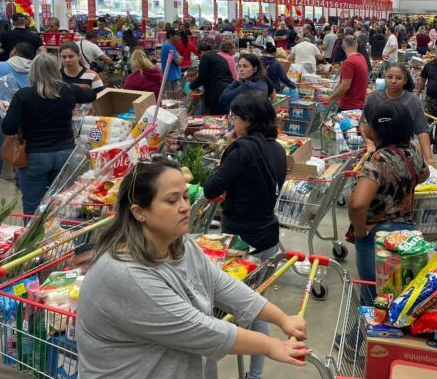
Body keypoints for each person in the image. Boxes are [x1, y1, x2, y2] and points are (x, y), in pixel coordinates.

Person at [77, 157, 309, 378]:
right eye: (172, 200)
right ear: (139, 212)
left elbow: (219, 283)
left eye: (186, 197)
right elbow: (200, 330)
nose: (185, 207)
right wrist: (270, 345)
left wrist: (281, 318)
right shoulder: (124, 274)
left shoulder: (178, 242)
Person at [203, 92, 287, 379]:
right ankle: (256, 372)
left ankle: (251, 372)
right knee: (256, 305)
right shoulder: (276, 148)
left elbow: (211, 188)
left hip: (241, 241)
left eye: (234, 118)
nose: (232, 123)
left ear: (248, 120)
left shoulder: (241, 149)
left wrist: (228, 151)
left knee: (246, 308)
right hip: (268, 234)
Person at [349, 101, 429, 302]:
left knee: (374, 299)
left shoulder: (378, 160)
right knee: (404, 298)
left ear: (377, 129)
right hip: (408, 234)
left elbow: (358, 204)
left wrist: (360, 234)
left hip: (378, 238)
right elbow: (423, 175)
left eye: (367, 122)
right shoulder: (412, 153)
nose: (364, 126)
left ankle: (365, 334)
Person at [2, 54, 98, 214]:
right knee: (63, 204)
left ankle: (33, 238)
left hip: (34, 155)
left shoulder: (23, 95)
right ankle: (60, 237)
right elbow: (92, 94)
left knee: (32, 204)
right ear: (57, 70)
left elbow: (8, 128)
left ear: (32, 72)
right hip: (65, 154)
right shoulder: (69, 91)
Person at [365, 63, 432, 161]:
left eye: (398, 78)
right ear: (385, 77)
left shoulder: (413, 101)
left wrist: (429, 160)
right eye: (389, 77)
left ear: (405, 80)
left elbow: (422, 132)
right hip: (376, 151)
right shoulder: (374, 97)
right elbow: (364, 123)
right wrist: (370, 144)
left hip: (403, 154)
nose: (393, 81)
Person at [0, 42, 34, 179]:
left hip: (4, 115)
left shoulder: (0, 66)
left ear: (14, 51)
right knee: (23, 150)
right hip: (28, 117)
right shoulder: (35, 68)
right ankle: (20, 182)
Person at [189, 41, 234, 115]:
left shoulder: (205, 57)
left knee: (216, 116)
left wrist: (192, 86)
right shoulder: (218, 56)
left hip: (215, 91)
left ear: (201, 52)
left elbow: (202, 77)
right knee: (223, 117)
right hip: (226, 89)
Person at [325, 35, 368, 111]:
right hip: (359, 104)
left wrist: (330, 98)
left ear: (343, 46)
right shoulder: (361, 58)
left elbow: (345, 86)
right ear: (356, 45)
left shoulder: (349, 62)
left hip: (348, 106)